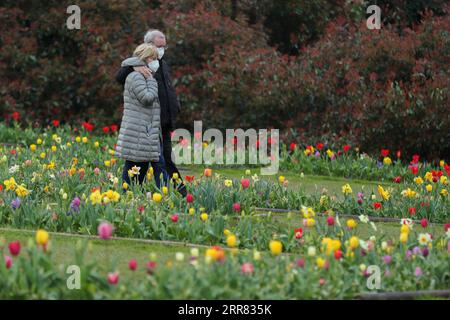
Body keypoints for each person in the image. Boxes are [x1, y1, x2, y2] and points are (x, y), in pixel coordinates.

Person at [116, 29, 187, 197]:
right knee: (153, 162)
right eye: (158, 46)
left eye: (164, 46)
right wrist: (135, 66)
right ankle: (177, 193)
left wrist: (175, 106)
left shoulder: (161, 63)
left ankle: (171, 193)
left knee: (162, 161)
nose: (162, 50)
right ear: (148, 46)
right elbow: (122, 77)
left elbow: (167, 89)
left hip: (162, 123)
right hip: (148, 126)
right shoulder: (138, 69)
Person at [116, 43, 169, 191]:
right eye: (153, 58)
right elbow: (147, 98)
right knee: (136, 167)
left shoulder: (142, 75)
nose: (155, 62)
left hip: (146, 130)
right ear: (145, 58)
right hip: (139, 131)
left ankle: (138, 194)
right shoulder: (136, 77)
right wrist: (152, 81)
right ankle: (130, 195)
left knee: (143, 167)